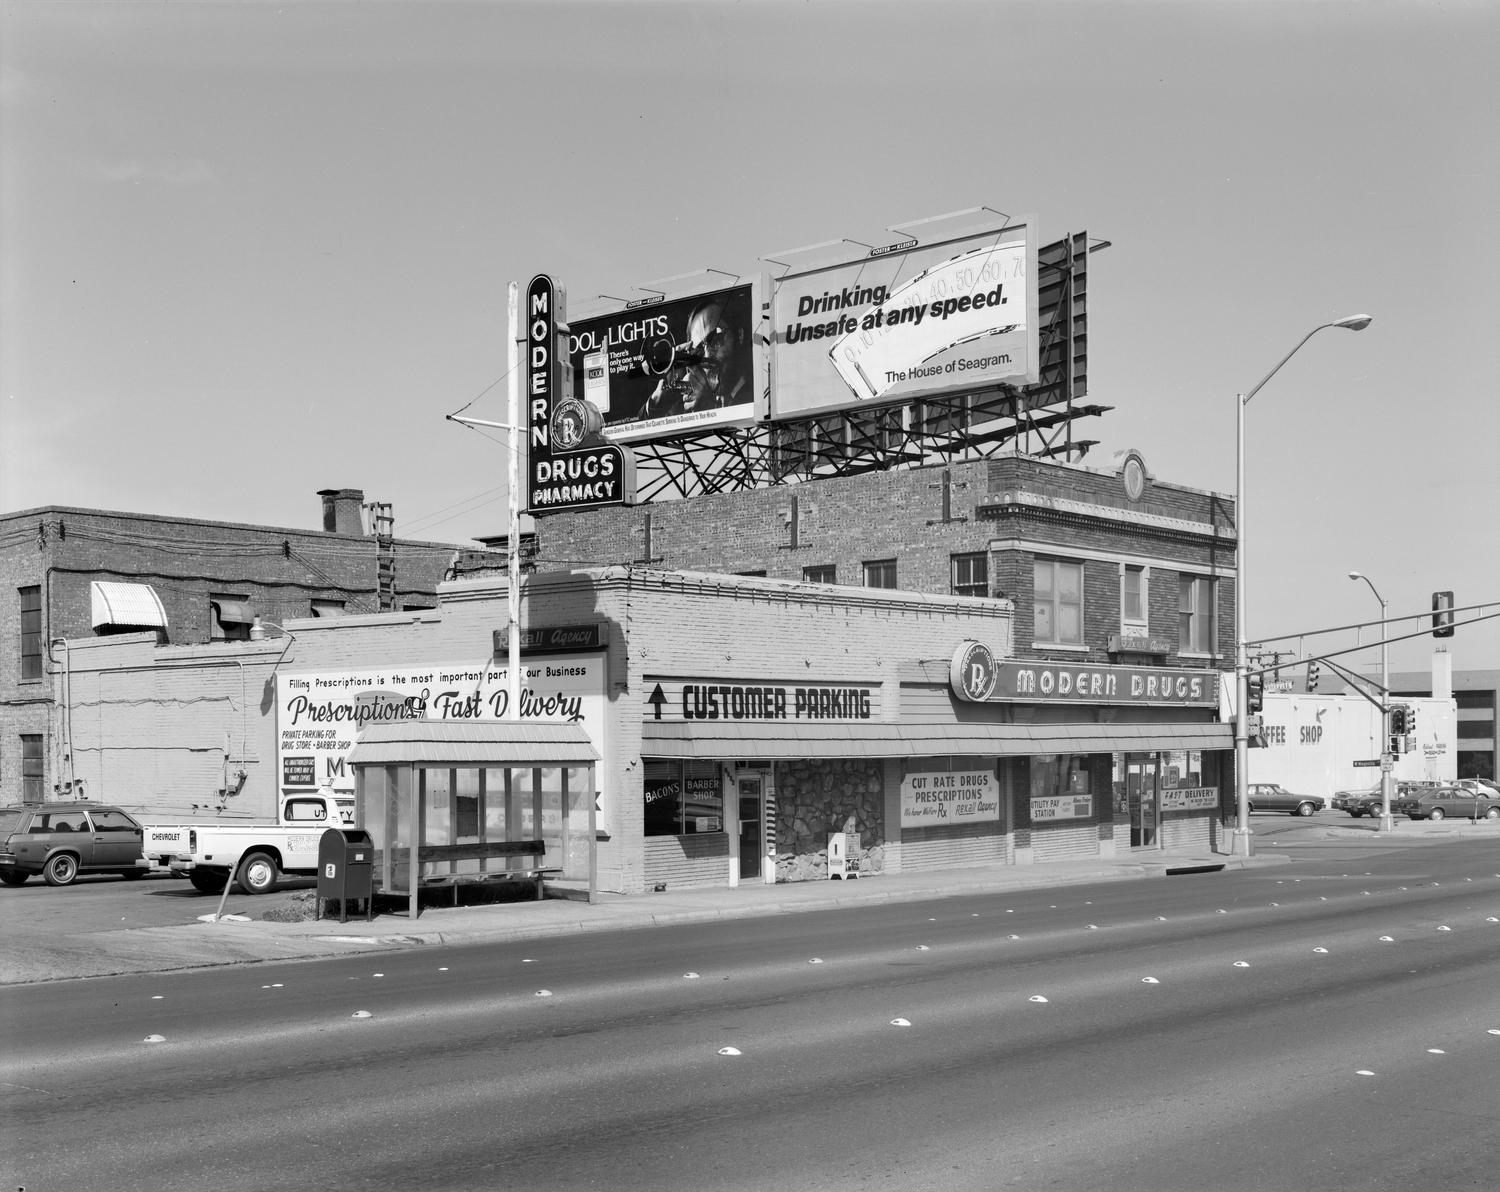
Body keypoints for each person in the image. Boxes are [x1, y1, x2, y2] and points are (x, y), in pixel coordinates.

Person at [641, 295, 749, 420]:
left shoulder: (762, 394)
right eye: (698, 350)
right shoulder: (692, 395)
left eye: (716, 339)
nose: (707, 355)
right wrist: (656, 405)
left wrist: (709, 408)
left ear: (739, 335)